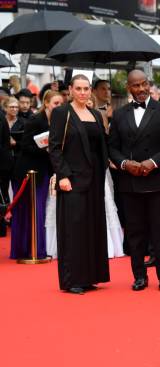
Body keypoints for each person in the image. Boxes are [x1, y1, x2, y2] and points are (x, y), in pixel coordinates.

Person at [108, 70, 160, 292]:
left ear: (149, 84)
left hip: (158, 182)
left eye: (144, 84)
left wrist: (153, 162)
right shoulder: (120, 114)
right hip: (130, 183)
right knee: (135, 232)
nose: (141, 89)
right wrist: (124, 164)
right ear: (128, 88)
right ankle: (139, 275)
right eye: (135, 86)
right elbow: (112, 147)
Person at [48, 76, 109, 295]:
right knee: (73, 230)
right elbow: (54, 148)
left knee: (92, 228)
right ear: (71, 90)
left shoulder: (95, 114)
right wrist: (62, 175)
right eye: (79, 89)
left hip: (94, 179)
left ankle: (90, 276)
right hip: (72, 180)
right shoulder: (61, 113)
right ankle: (72, 279)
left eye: (86, 89)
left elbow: (101, 145)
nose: (83, 92)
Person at [9, 91, 63, 260]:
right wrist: (46, 150)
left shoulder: (57, 121)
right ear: (46, 103)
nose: (59, 107)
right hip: (27, 173)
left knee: (38, 210)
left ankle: (35, 249)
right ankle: (27, 251)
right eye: (56, 103)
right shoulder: (35, 120)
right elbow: (24, 146)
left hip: (42, 171)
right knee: (28, 211)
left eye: (61, 103)